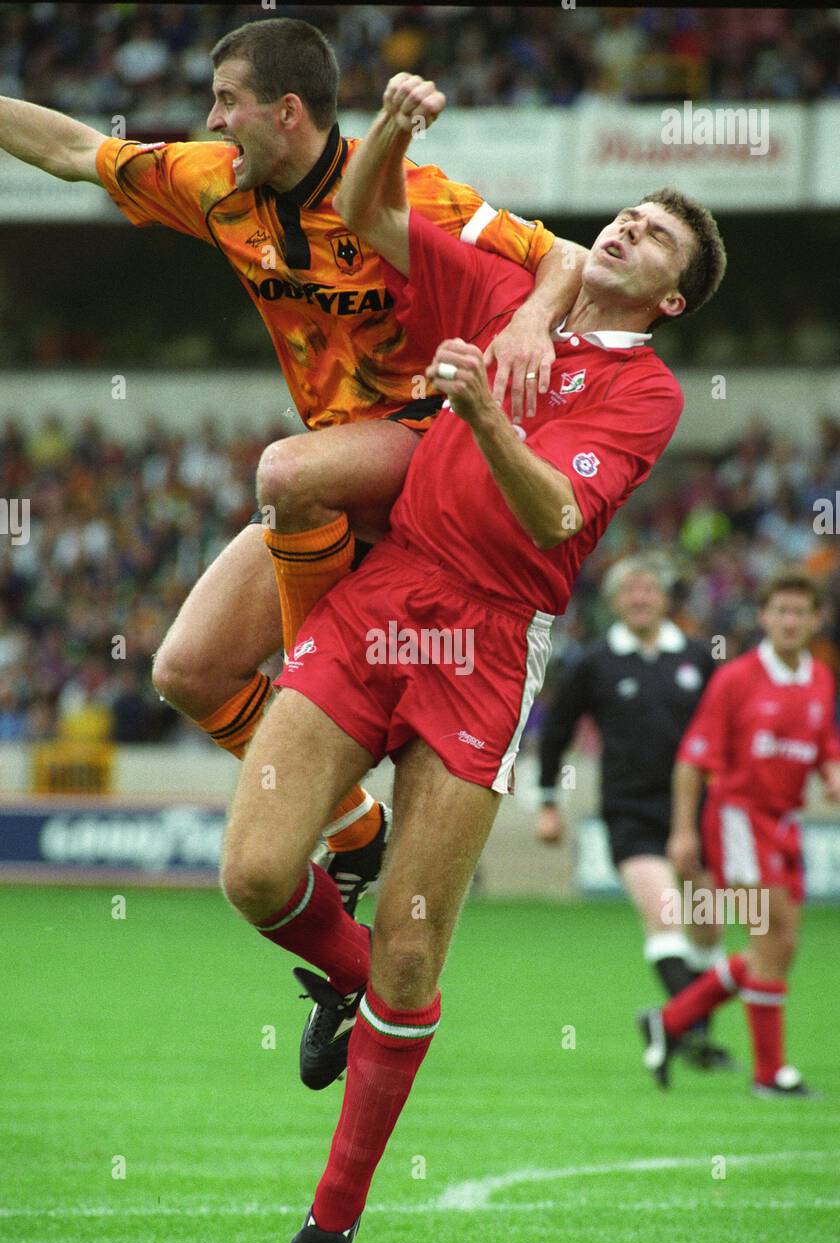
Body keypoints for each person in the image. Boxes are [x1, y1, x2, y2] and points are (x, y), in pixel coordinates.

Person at [219, 73, 727, 1243]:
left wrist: (479, 408)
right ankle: (342, 982)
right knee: (252, 872)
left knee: (412, 957)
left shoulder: (645, 392)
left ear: (667, 298)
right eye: (629, 213)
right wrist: (394, 123)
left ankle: (325, 1240)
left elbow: (554, 513)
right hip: (389, 600)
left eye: (655, 236)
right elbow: (367, 210)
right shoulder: (508, 285)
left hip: (493, 640)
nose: (627, 229)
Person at [0, 17, 586, 913]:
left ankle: (323, 687)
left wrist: (529, 322)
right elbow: (77, 149)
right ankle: (356, 828)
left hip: (430, 443)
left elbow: (564, 260)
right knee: (186, 673)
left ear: (285, 111)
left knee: (285, 473)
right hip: (338, 465)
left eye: (226, 101)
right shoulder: (214, 185)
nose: (212, 119)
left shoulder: (402, 192)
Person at [640, 572, 840, 1097]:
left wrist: (832, 770)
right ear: (764, 618)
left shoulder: (820, 677)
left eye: (801, 613)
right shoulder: (736, 679)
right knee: (770, 935)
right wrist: (683, 831)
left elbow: (824, 745)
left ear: (816, 620)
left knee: (780, 947)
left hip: (786, 823)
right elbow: (692, 759)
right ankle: (769, 1074)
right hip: (738, 819)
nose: (791, 621)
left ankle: (672, 1019)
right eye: (781, 612)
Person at [537, 554, 734, 1069]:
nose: (641, 599)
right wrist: (548, 803)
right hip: (629, 811)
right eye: (631, 592)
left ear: (665, 598)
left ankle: (687, 1033)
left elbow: (726, 729)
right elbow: (556, 732)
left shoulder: (697, 656)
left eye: (649, 590)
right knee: (665, 914)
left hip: (699, 812)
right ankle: (688, 1031)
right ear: (615, 602)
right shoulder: (595, 662)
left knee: (707, 926)